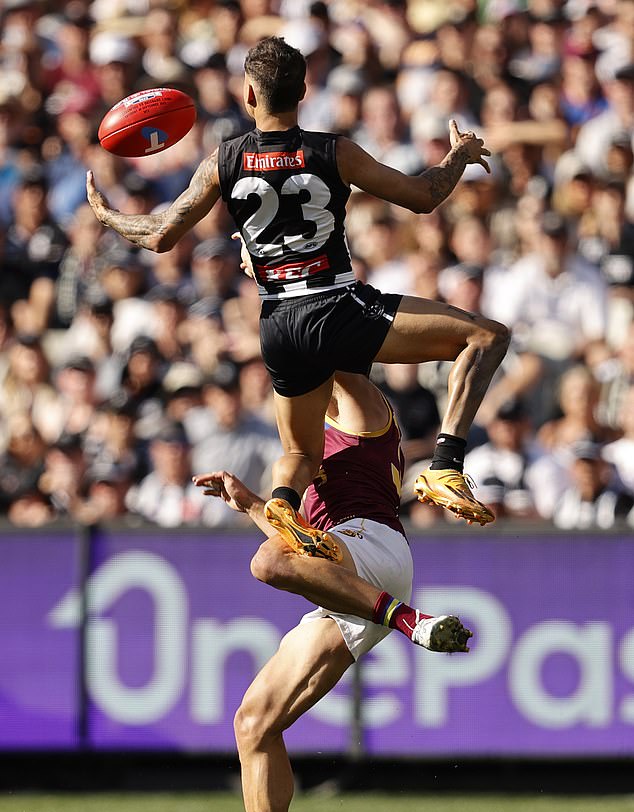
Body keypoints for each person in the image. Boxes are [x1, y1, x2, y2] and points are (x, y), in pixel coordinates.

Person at [87, 35, 510, 545]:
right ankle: (444, 465)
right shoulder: (333, 152)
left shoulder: (224, 160)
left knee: (301, 455)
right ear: (304, 90)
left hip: (277, 324)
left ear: (248, 94)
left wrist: (108, 215)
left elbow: (159, 235)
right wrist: (458, 156)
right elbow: (423, 198)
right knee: (485, 337)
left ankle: (283, 505)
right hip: (337, 306)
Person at [193, 370, 472, 812]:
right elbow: (298, 543)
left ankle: (407, 620)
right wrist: (251, 502)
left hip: (368, 541)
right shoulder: (310, 434)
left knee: (267, 562)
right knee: (254, 723)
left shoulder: (357, 402)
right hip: (353, 568)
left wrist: (290, 298)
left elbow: (327, 347)